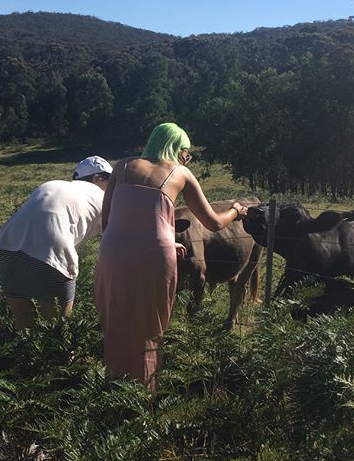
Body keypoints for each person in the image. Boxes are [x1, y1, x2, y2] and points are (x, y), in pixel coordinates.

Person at [94, 123, 248, 389]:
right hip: (155, 256)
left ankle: (112, 384)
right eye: (186, 152)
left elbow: (109, 221)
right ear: (177, 149)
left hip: (112, 252)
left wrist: (157, 241)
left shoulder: (122, 167)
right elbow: (213, 223)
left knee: (115, 317)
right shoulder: (181, 173)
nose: (187, 158)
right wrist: (235, 210)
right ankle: (144, 391)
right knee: (149, 326)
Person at [0, 155, 113, 329]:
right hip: (51, 255)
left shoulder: (53, 184)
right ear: (97, 179)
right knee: (58, 332)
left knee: (25, 327)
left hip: (6, 248)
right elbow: (117, 239)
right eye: (110, 181)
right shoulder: (102, 197)